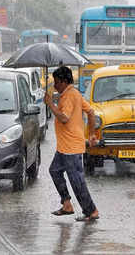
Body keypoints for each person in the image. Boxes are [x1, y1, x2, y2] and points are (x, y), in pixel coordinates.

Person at [44, 66, 99, 222]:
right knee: (54, 171)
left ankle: (91, 210)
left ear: (63, 81)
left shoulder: (68, 96)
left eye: (56, 82)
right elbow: (91, 112)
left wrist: (50, 104)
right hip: (64, 147)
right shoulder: (74, 93)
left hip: (71, 148)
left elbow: (64, 118)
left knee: (76, 180)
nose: (54, 85)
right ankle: (67, 204)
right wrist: (92, 134)